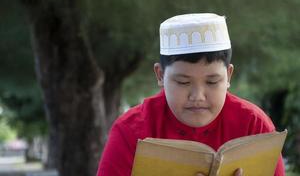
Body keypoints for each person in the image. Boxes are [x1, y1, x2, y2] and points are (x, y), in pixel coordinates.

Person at [96, 13, 285, 176]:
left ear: (228, 75)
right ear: (160, 75)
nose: (197, 96)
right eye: (183, 82)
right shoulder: (131, 130)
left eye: (212, 82)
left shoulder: (254, 125)